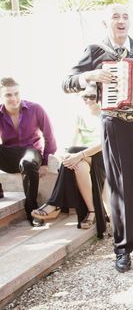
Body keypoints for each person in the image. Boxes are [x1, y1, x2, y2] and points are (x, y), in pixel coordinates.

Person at [62, 3, 133, 273]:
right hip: (116, 125)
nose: (121, 20)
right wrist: (90, 75)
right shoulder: (96, 51)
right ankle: (123, 250)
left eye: (125, 16)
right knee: (122, 189)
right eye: (115, 17)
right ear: (105, 23)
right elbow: (66, 83)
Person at [31, 84, 108, 237]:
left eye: (92, 96)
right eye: (84, 97)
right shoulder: (80, 116)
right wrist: (66, 155)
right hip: (83, 159)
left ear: (101, 96)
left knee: (74, 157)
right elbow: (72, 142)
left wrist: (78, 155)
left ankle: (54, 204)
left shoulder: (107, 115)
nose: (88, 100)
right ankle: (92, 212)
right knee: (76, 164)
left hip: (104, 157)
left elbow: (104, 143)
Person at [0, 77, 57, 226]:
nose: (14, 98)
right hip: (10, 155)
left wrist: (44, 163)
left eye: (16, 93)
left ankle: (32, 210)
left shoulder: (35, 109)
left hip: (31, 153)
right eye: (8, 95)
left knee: (27, 162)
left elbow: (49, 136)